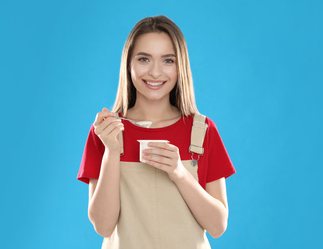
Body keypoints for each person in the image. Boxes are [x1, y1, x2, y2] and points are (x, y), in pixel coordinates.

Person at [77, 15, 236, 249]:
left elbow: (218, 225)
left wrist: (179, 173)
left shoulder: (202, 131)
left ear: (180, 66)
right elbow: (103, 226)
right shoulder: (106, 131)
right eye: (144, 59)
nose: (154, 72)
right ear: (128, 64)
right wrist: (112, 150)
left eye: (168, 60)